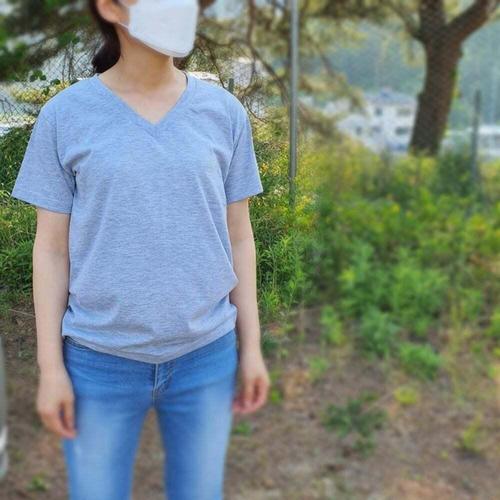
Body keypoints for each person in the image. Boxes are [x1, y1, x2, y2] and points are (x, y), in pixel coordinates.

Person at [9, 0, 271, 498]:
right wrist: (51, 369)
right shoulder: (65, 115)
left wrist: (252, 348)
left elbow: (240, 235)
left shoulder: (224, 113)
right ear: (110, 6)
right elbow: (51, 250)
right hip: (97, 362)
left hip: (206, 357)